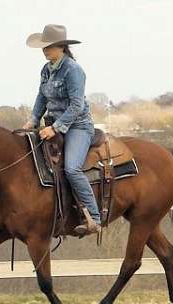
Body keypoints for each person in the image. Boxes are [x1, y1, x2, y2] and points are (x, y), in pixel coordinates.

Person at [22, 24, 101, 235]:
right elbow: (42, 97)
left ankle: (94, 217)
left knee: (72, 169)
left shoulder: (73, 70)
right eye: (44, 47)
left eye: (49, 46)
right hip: (53, 124)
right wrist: (33, 119)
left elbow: (76, 106)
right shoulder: (46, 69)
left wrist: (55, 128)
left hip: (77, 126)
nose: (45, 50)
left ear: (61, 47)